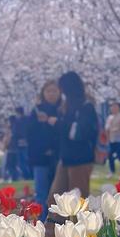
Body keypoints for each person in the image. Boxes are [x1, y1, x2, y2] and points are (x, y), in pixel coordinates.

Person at [47, 71, 99, 204]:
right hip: (65, 158)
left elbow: (81, 132)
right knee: (55, 199)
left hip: (80, 159)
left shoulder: (85, 107)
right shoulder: (65, 107)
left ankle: (78, 224)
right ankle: (54, 224)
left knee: (77, 201)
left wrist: (58, 123)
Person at [27, 80, 61, 219]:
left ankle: (58, 226)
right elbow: (29, 134)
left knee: (59, 194)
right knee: (41, 194)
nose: (51, 94)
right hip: (40, 158)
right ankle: (41, 225)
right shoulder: (36, 111)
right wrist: (39, 123)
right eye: (48, 91)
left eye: (54, 91)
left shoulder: (63, 109)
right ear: (43, 93)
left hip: (59, 158)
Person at [105, 101, 120, 173]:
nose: (113, 108)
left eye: (115, 106)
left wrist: (116, 129)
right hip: (112, 139)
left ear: (118, 108)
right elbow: (107, 128)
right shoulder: (109, 117)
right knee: (110, 155)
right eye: (112, 106)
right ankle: (112, 171)